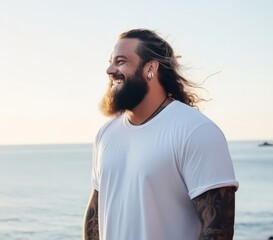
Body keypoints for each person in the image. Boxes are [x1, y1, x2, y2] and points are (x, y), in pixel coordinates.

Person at [83, 29, 239, 240]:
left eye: (120, 61)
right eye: (111, 61)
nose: (110, 70)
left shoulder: (196, 131)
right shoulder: (106, 134)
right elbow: (96, 213)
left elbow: (218, 230)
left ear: (151, 68)